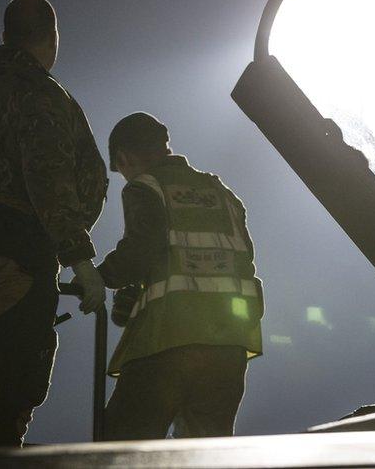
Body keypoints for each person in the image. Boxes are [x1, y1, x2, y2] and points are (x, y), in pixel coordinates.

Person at [0, 0, 108, 447]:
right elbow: (48, 178)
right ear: (52, 39)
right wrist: (81, 262)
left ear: (5, 37)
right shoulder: (39, 93)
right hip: (20, 250)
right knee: (14, 391)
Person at [99, 112, 263, 440]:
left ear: (124, 158)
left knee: (122, 446)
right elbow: (236, 262)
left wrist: (99, 276)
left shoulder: (146, 186)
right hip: (228, 346)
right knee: (205, 453)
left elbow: (142, 249)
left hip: (166, 340)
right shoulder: (223, 194)